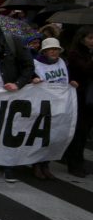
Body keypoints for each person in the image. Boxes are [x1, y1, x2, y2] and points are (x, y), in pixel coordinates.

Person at [0, 15, 35, 183]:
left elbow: (28, 66)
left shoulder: (13, 43)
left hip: (9, 96)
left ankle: (8, 165)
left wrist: (18, 84)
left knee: (7, 131)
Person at [31, 37, 78, 179]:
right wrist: (33, 79)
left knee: (53, 135)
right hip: (42, 105)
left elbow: (65, 78)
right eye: (51, 49)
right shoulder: (36, 64)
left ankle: (46, 164)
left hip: (59, 105)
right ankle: (36, 164)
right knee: (40, 135)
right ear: (44, 51)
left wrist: (72, 82)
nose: (54, 52)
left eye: (56, 49)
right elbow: (29, 77)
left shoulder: (63, 62)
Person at [65, 26, 93, 177]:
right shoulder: (75, 54)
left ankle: (79, 161)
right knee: (78, 132)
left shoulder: (88, 53)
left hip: (88, 98)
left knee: (85, 132)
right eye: (90, 38)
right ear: (82, 39)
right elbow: (86, 70)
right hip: (79, 98)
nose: (92, 41)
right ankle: (74, 164)